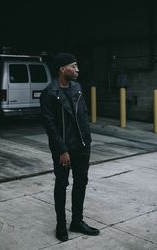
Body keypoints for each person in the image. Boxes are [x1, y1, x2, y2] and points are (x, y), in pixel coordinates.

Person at [40, 52, 100, 242]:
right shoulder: (49, 93)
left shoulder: (77, 87)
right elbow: (50, 126)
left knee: (81, 182)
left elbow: (82, 114)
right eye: (73, 66)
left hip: (82, 146)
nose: (77, 70)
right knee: (62, 184)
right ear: (62, 69)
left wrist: (87, 139)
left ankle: (77, 221)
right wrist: (62, 150)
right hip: (64, 149)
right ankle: (61, 224)